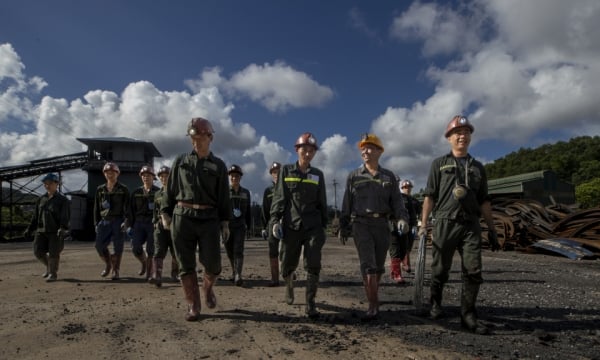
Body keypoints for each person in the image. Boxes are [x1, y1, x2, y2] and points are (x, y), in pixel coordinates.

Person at [420, 115, 500, 335]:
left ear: (470, 137)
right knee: (439, 269)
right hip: (445, 222)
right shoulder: (439, 164)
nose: (462, 136)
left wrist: (492, 229)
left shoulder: (478, 168)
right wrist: (423, 223)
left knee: (473, 270)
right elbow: (429, 196)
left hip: (470, 224)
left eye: (466, 132)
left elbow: (484, 200)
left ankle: (468, 314)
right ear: (449, 138)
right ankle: (435, 304)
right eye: (457, 133)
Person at [160, 117, 230, 321]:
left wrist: (225, 222)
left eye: (199, 138)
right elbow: (170, 189)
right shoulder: (181, 161)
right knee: (185, 264)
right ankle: (193, 305)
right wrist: (165, 212)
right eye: (192, 138)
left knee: (214, 264)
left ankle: (207, 289)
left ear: (210, 137)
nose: (195, 142)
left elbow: (224, 196)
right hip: (183, 217)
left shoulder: (218, 165)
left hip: (209, 218)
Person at [340, 134, 409, 320]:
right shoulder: (354, 176)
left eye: (370, 147)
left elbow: (397, 202)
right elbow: (347, 203)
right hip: (361, 224)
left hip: (382, 225)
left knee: (378, 266)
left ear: (380, 151)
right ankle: (373, 304)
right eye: (363, 148)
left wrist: (402, 219)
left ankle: (372, 294)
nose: (365, 151)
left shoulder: (389, 177)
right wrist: (343, 225)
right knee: (368, 265)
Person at [270, 132, 327, 318]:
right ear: (297, 150)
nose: (308, 153)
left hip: (313, 227)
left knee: (313, 264)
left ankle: (310, 303)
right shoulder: (286, 171)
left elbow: (322, 203)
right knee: (287, 264)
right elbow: (279, 198)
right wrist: (275, 220)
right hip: (291, 226)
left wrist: (323, 228)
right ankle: (288, 285)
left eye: (312, 150)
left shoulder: (318, 175)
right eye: (305, 149)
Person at [23, 173, 70, 282]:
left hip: (55, 231)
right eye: (45, 184)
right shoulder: (41, 200)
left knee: (54, 252)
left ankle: (53, 274)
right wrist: (29, 229)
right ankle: (49, 267)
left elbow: (65, 216)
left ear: (56, 184)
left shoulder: (63, 200)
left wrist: (63, 228)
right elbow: (35, 216)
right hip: (41, 230)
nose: (47, 186)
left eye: (50, 183)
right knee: (37, 251)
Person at [94, 162, 130, 280]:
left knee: (118, 247)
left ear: (117, 174)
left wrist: (126, 221)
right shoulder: (100, 189)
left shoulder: (123, 189)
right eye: (107, 173)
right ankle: (108, 264)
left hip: (118, 221)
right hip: (104, 221)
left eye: (112, 172)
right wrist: (96, 223)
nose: (110, 175)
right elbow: (96, 207)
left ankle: (116, 270)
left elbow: (128, 207)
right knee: (99, 246)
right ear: (104, 174)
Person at [148, 165, 179, 287]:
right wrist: (155, 221)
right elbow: (155, 210)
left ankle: (175, 273)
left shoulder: (177, 192)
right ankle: (157, 275)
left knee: (175, 252)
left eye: (166, 176)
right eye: (161, 177)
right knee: (158, 250)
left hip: (174, 225)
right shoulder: (157, 194)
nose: (164, 179)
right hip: (160, 226)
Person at [129, 165, 160, 280]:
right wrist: (129, 225)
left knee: (151, 249)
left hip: (152, 224)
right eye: (144, 176)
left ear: (153, 177)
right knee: (135, 247)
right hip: (138, 223)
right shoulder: (136, 192)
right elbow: (131, 210)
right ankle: (144, 263)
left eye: (148, 176)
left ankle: (150, 272)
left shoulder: (158, 192)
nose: (146, 178)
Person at [224, 164, 252, 286]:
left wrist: (249, 225)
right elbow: (221, 208)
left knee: (238, 250)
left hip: (240, 226)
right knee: (229, 251)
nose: (234, 178)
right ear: (229, 177)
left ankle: (238, 275)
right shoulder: (224, 192)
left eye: (236, 176)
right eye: (232, 176)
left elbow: (249, 211)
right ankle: (234, 271)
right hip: (227, 226)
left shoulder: (246, 193)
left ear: (240, 177)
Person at [388, 178, 419, 283]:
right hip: (391, 227)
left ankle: (396, 270)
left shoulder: (407, 198)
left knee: (404, 249)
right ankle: (397, 275)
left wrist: (414, 225)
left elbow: (412, 213)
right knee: (395, 250)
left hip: (405, 227)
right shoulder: (386, 197)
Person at [261, 161, 281, 286]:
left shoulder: (288, 187)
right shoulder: (268, 191)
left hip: (286, 222)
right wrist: (264, 227)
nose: (276, 174)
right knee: (273, 251)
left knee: (287, 250)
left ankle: (288, 271)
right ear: (271, 174)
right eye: (274, 172)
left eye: (278, 172)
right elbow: (264, 209)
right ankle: (275, 278)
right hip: (271, 223)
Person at [400, 179, 421, 273]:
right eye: (405, 187)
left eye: (409, 187)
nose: (407, 189)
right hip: (402, 225)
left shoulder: (415, 201)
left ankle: (404, 263)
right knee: (402, 245)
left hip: (412, 225)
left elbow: (420, 213)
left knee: (409, 245)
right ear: (402, 188)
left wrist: (420, 221)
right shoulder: (399, 199)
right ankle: (406, 264)